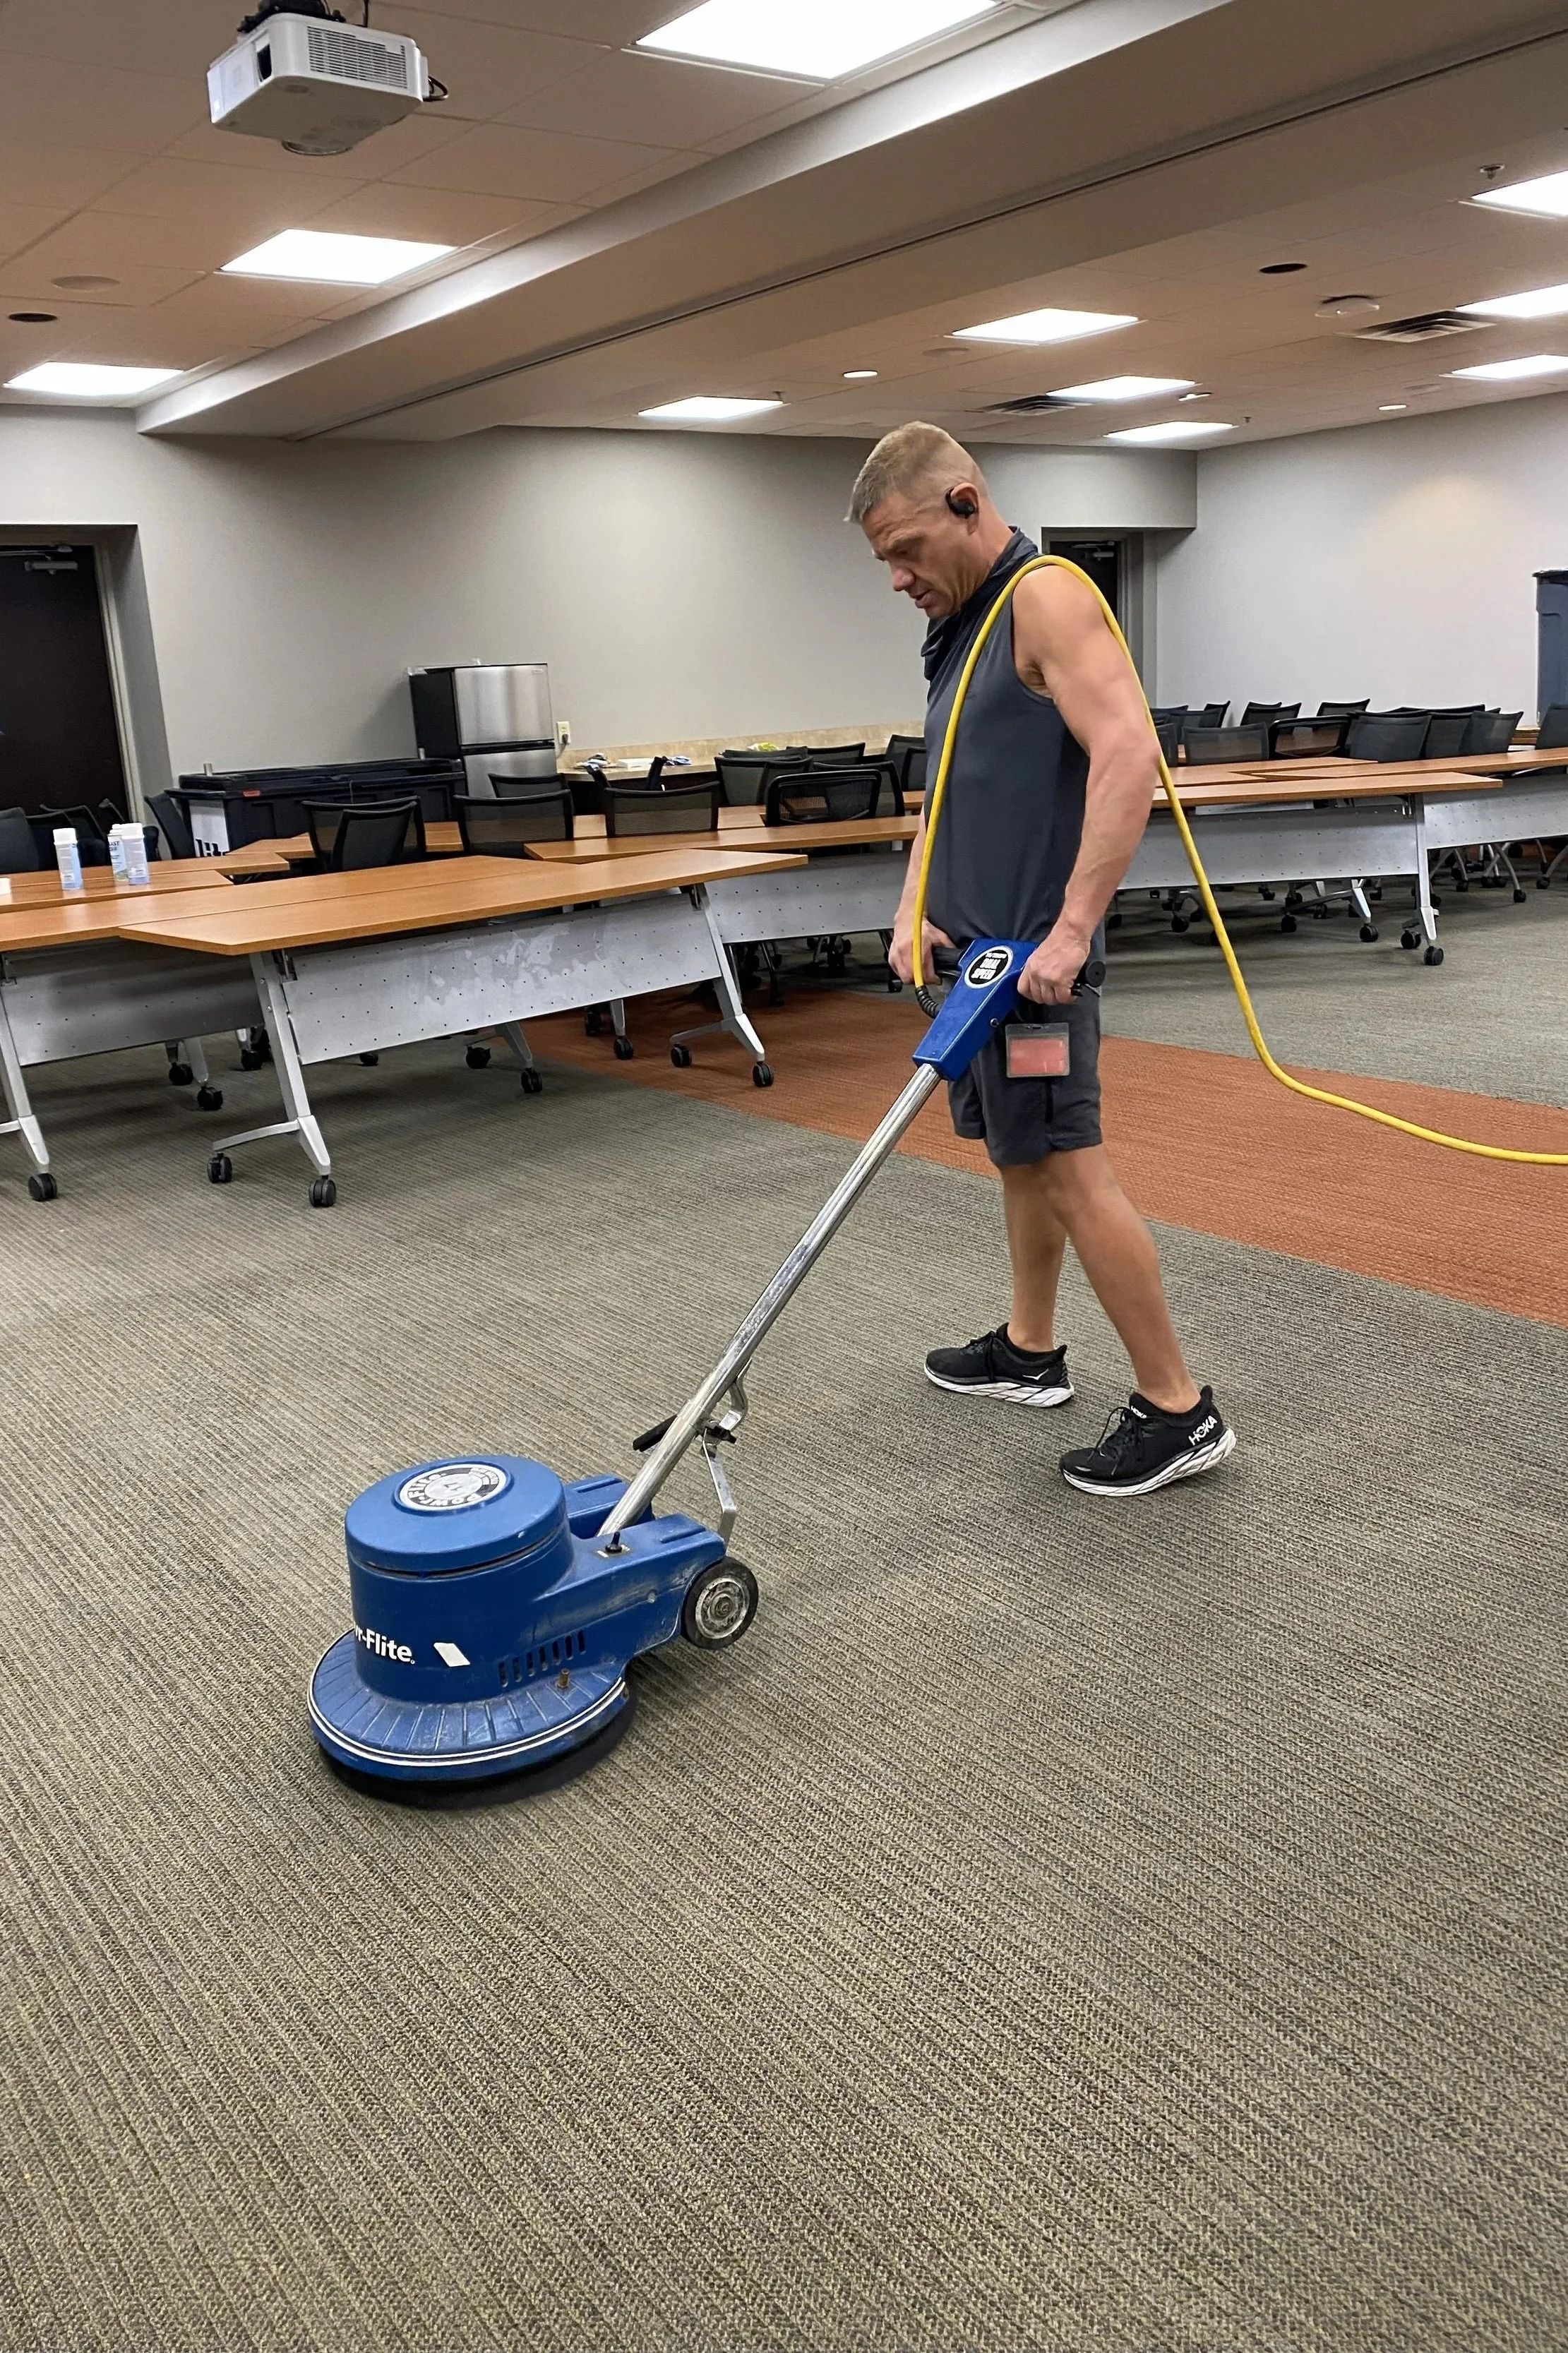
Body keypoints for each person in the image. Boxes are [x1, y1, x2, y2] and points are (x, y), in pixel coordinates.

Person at [850, 421, 1234, 1497]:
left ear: (966, 503)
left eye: (906, 548)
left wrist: (1070, 934)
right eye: (883, 559)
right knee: (1020, 1158)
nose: (896, 577)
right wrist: (914, 902)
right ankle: (1031, 1349)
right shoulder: (965, 630)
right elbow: (954, 788)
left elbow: (1127, 757)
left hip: (1035, 969)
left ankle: (1179, 1408)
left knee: (1068, 1166)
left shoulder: (1049, 596)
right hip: (979, 965)